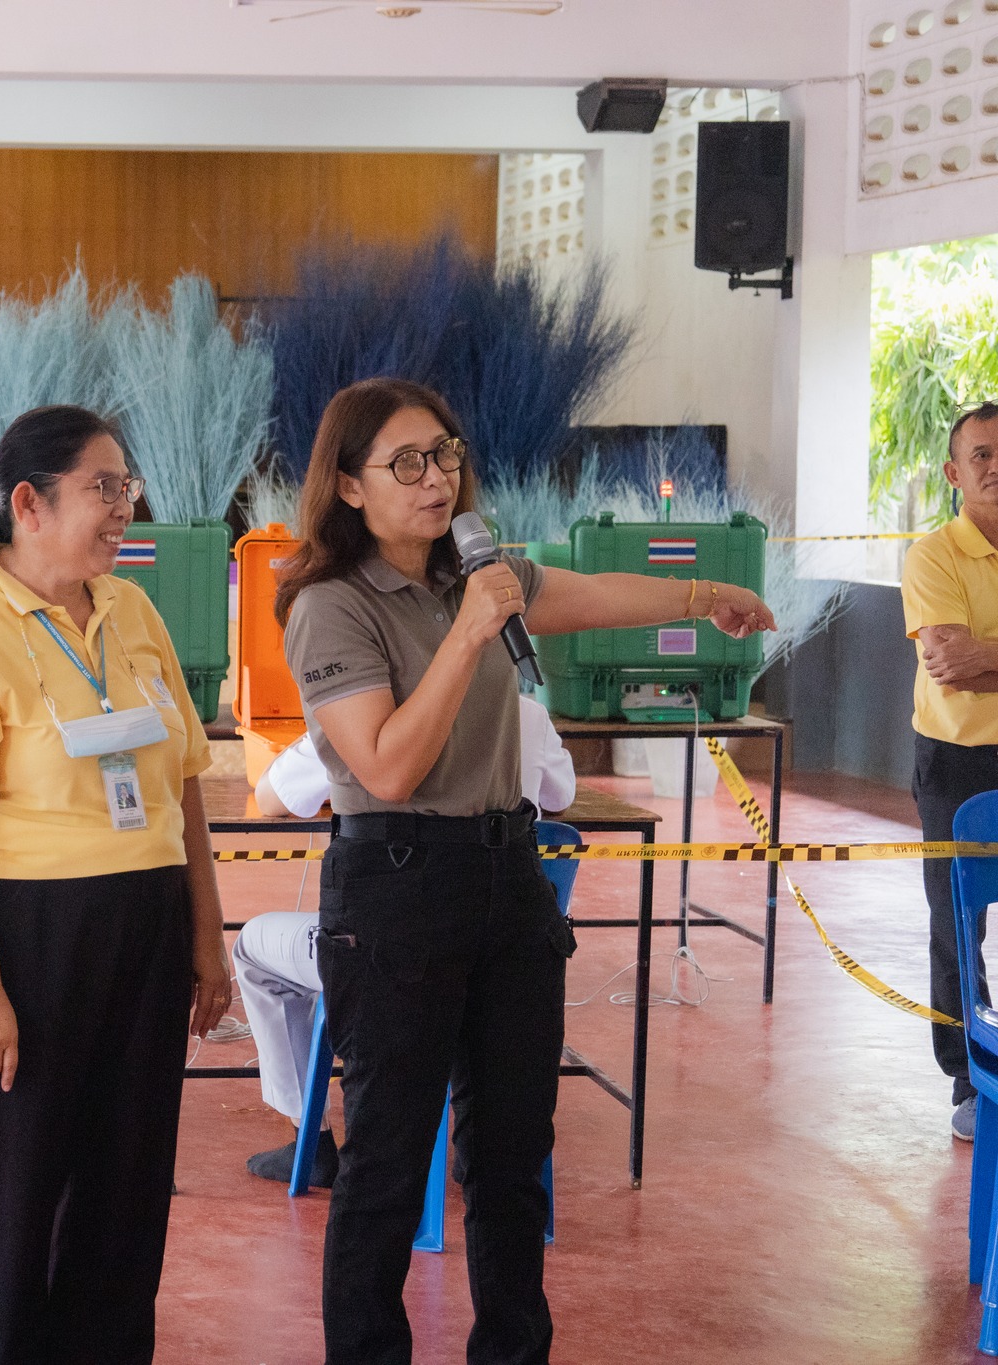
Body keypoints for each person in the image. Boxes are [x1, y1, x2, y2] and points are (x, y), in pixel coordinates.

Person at [276, 377, 774, 1364]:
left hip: (506, 878)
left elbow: (584, 595)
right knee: (384, 1160)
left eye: (445, 456)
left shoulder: (482, 569)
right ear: (345, 484)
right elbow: (382, 763)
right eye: (405, 463)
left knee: (510, 1157)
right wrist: (466, 635)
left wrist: (701, 595)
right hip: (396, 883)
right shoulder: (329, 605)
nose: (434, 480)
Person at [0, 405, 233, 1365]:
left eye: (127, 485)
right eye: (103, 486)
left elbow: (181, 785)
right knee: (15, 1200)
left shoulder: (133, 611)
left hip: (145, 930)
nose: (125, 505)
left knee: (126, 1195)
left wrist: (206, 938)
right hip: (25, 939)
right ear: (26, 503)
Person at [236, 695, 577, 1187]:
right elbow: (560, 796)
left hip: (387, 951)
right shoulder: (524, 710)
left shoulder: (357, 716)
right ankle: (474, 1142)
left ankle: (309, 1138)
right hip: (509, 940)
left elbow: (272, 797)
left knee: (251, 948)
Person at [901, 399, 998, 1143]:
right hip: (956, 760)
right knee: (957, 920)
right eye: (981, 455)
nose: (994, 467)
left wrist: (983, 652)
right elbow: (953, 667)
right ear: (954, 471)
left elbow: (976, 656)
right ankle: (969, 1078)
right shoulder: (933, 555)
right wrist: (974, 658)